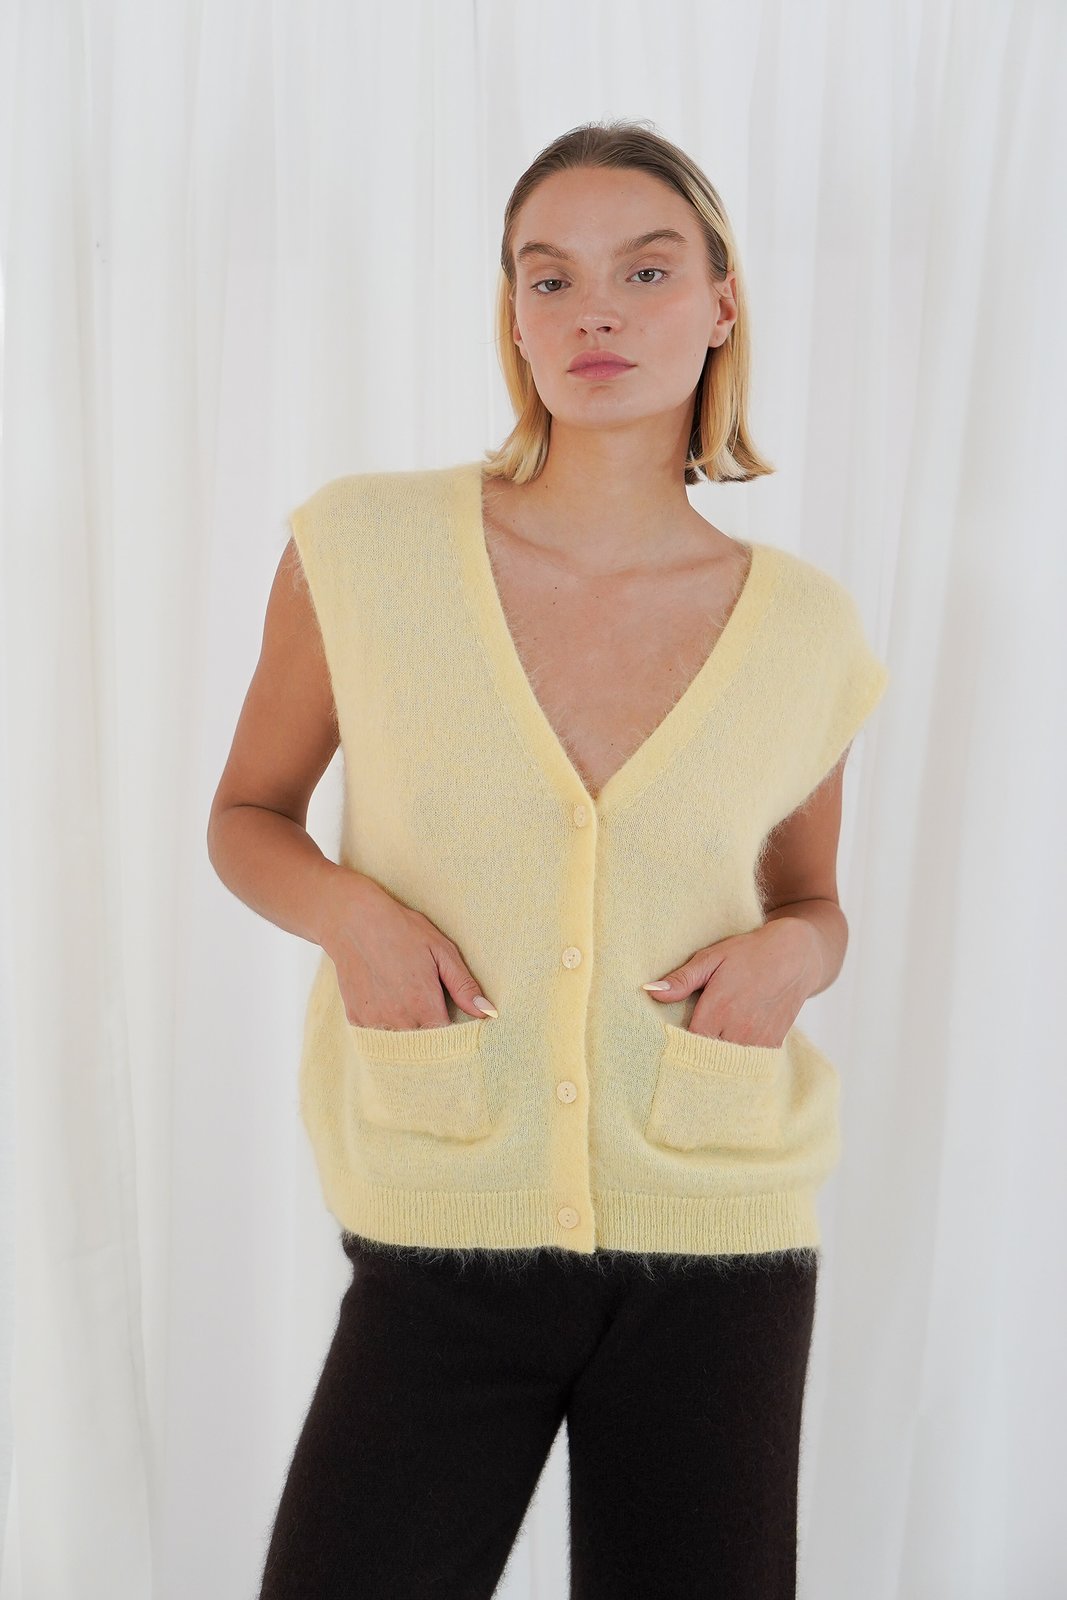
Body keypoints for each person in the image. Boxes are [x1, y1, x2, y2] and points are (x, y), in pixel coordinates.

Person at [208, 118, 889, 1599]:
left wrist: (795, 953)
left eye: (646, 271)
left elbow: (815, 904)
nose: (595, 312)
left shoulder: (804, 628)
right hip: (442, 1215)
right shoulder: (366, 549)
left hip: (719, 1233)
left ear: (722, 304)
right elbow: (247, 816)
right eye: (549, 276)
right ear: (512, 314)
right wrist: (353, 919)